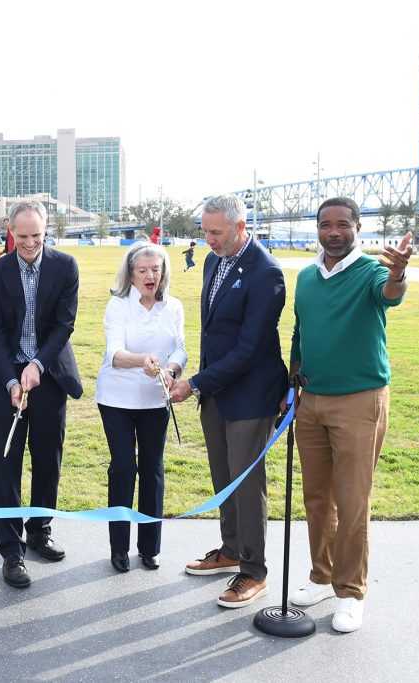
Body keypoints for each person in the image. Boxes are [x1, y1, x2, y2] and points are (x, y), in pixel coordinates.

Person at [287, 197, 412, 633]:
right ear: (317, 228)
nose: (334, 232)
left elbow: (390, 294)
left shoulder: (372, 272)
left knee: (353, 499)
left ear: (358, 228)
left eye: (343, 224)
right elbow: (301, 332)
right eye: (326, 224)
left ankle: (350, 592)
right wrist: (294, 381)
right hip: (311, 400)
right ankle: (322, 576)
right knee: (317, 497)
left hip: (360, 400)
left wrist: (398, 273)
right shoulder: (306, 277)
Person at [169, 194, 288, 609]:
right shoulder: (212, 261)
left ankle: (254, 572)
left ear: (240, 227)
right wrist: (200, 380)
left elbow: (250, 348)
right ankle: (232, 549)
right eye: (204, 230)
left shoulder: (266, 273)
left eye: (215, 232)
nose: (208, 239)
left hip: (250, 396)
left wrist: (196, 383)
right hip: (216, 391)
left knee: (246, 483)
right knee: (224, 478)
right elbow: (214, 333)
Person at [0, 200, 82, 588]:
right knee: (6, 463)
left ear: (46, 229)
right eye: (21, 236)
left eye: (36, 236)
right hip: (9, 376)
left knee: (47, 458)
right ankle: (11, 550)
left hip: (49, 375)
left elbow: (64, 325)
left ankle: (39, 529)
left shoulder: (65, 266)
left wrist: (37, 366)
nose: (29, 243)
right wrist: (11, 382)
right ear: (9, 228)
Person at [96, 242, 187, 573]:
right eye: (143, 270)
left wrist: (171, 370)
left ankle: (150, 547)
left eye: (156, 269)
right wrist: (144, 362)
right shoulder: (118, 305)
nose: (151, 276)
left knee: (153, 468)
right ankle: (118, 547)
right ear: (131, 274)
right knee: (123, 468)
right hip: (116, 399)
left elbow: (180, 349)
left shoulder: (173, 306)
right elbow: (114, 355)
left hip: (155, 399)